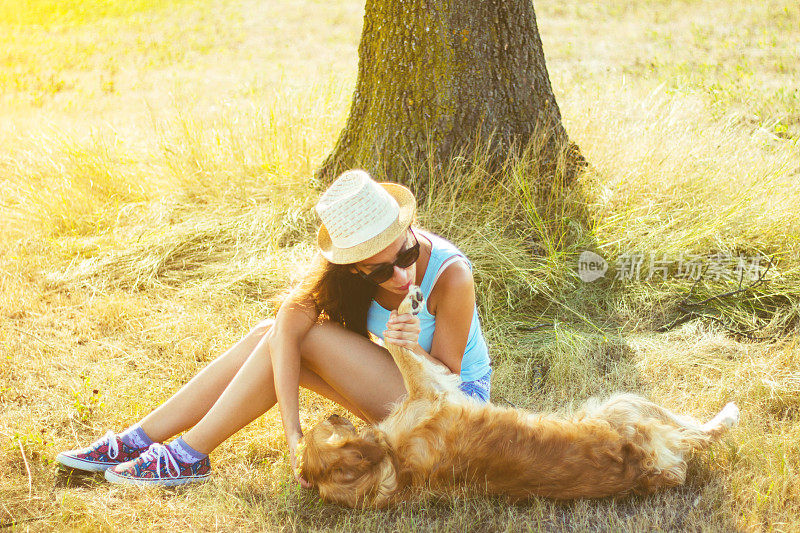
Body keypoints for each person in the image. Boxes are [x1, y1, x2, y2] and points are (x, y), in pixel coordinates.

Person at [55, 169, 492, 487]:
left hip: (452, 413)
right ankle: (137, 440)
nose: (399, 276)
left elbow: (450, 381)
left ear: (409, 228)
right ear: (354, 267)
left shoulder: (450, 275)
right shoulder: (347, 276)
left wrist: (413, 348)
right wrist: (294, 436)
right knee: (272, 330)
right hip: (401, 395)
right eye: (379, 271)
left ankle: (188, 454)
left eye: (405, 254)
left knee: (308, 336)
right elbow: (285, 329)